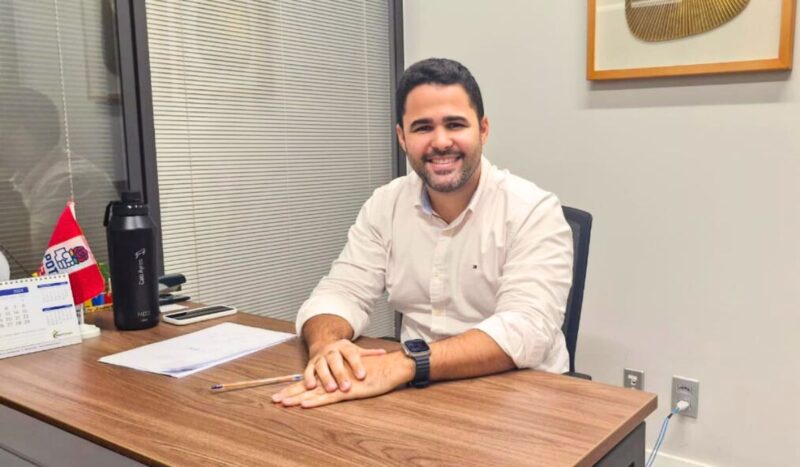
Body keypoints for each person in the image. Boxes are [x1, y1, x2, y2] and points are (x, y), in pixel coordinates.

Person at [272, 58, 574, 409]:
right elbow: (341, 291)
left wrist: (406, 362)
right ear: (402, 137)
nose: (441, 141)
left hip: (522, 401)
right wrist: (326, 347)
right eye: (422, 127)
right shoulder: (385, 205)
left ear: (484, 130)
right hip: (419, 397)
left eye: (455, 124)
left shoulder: (533, 210)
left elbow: (527, 330)